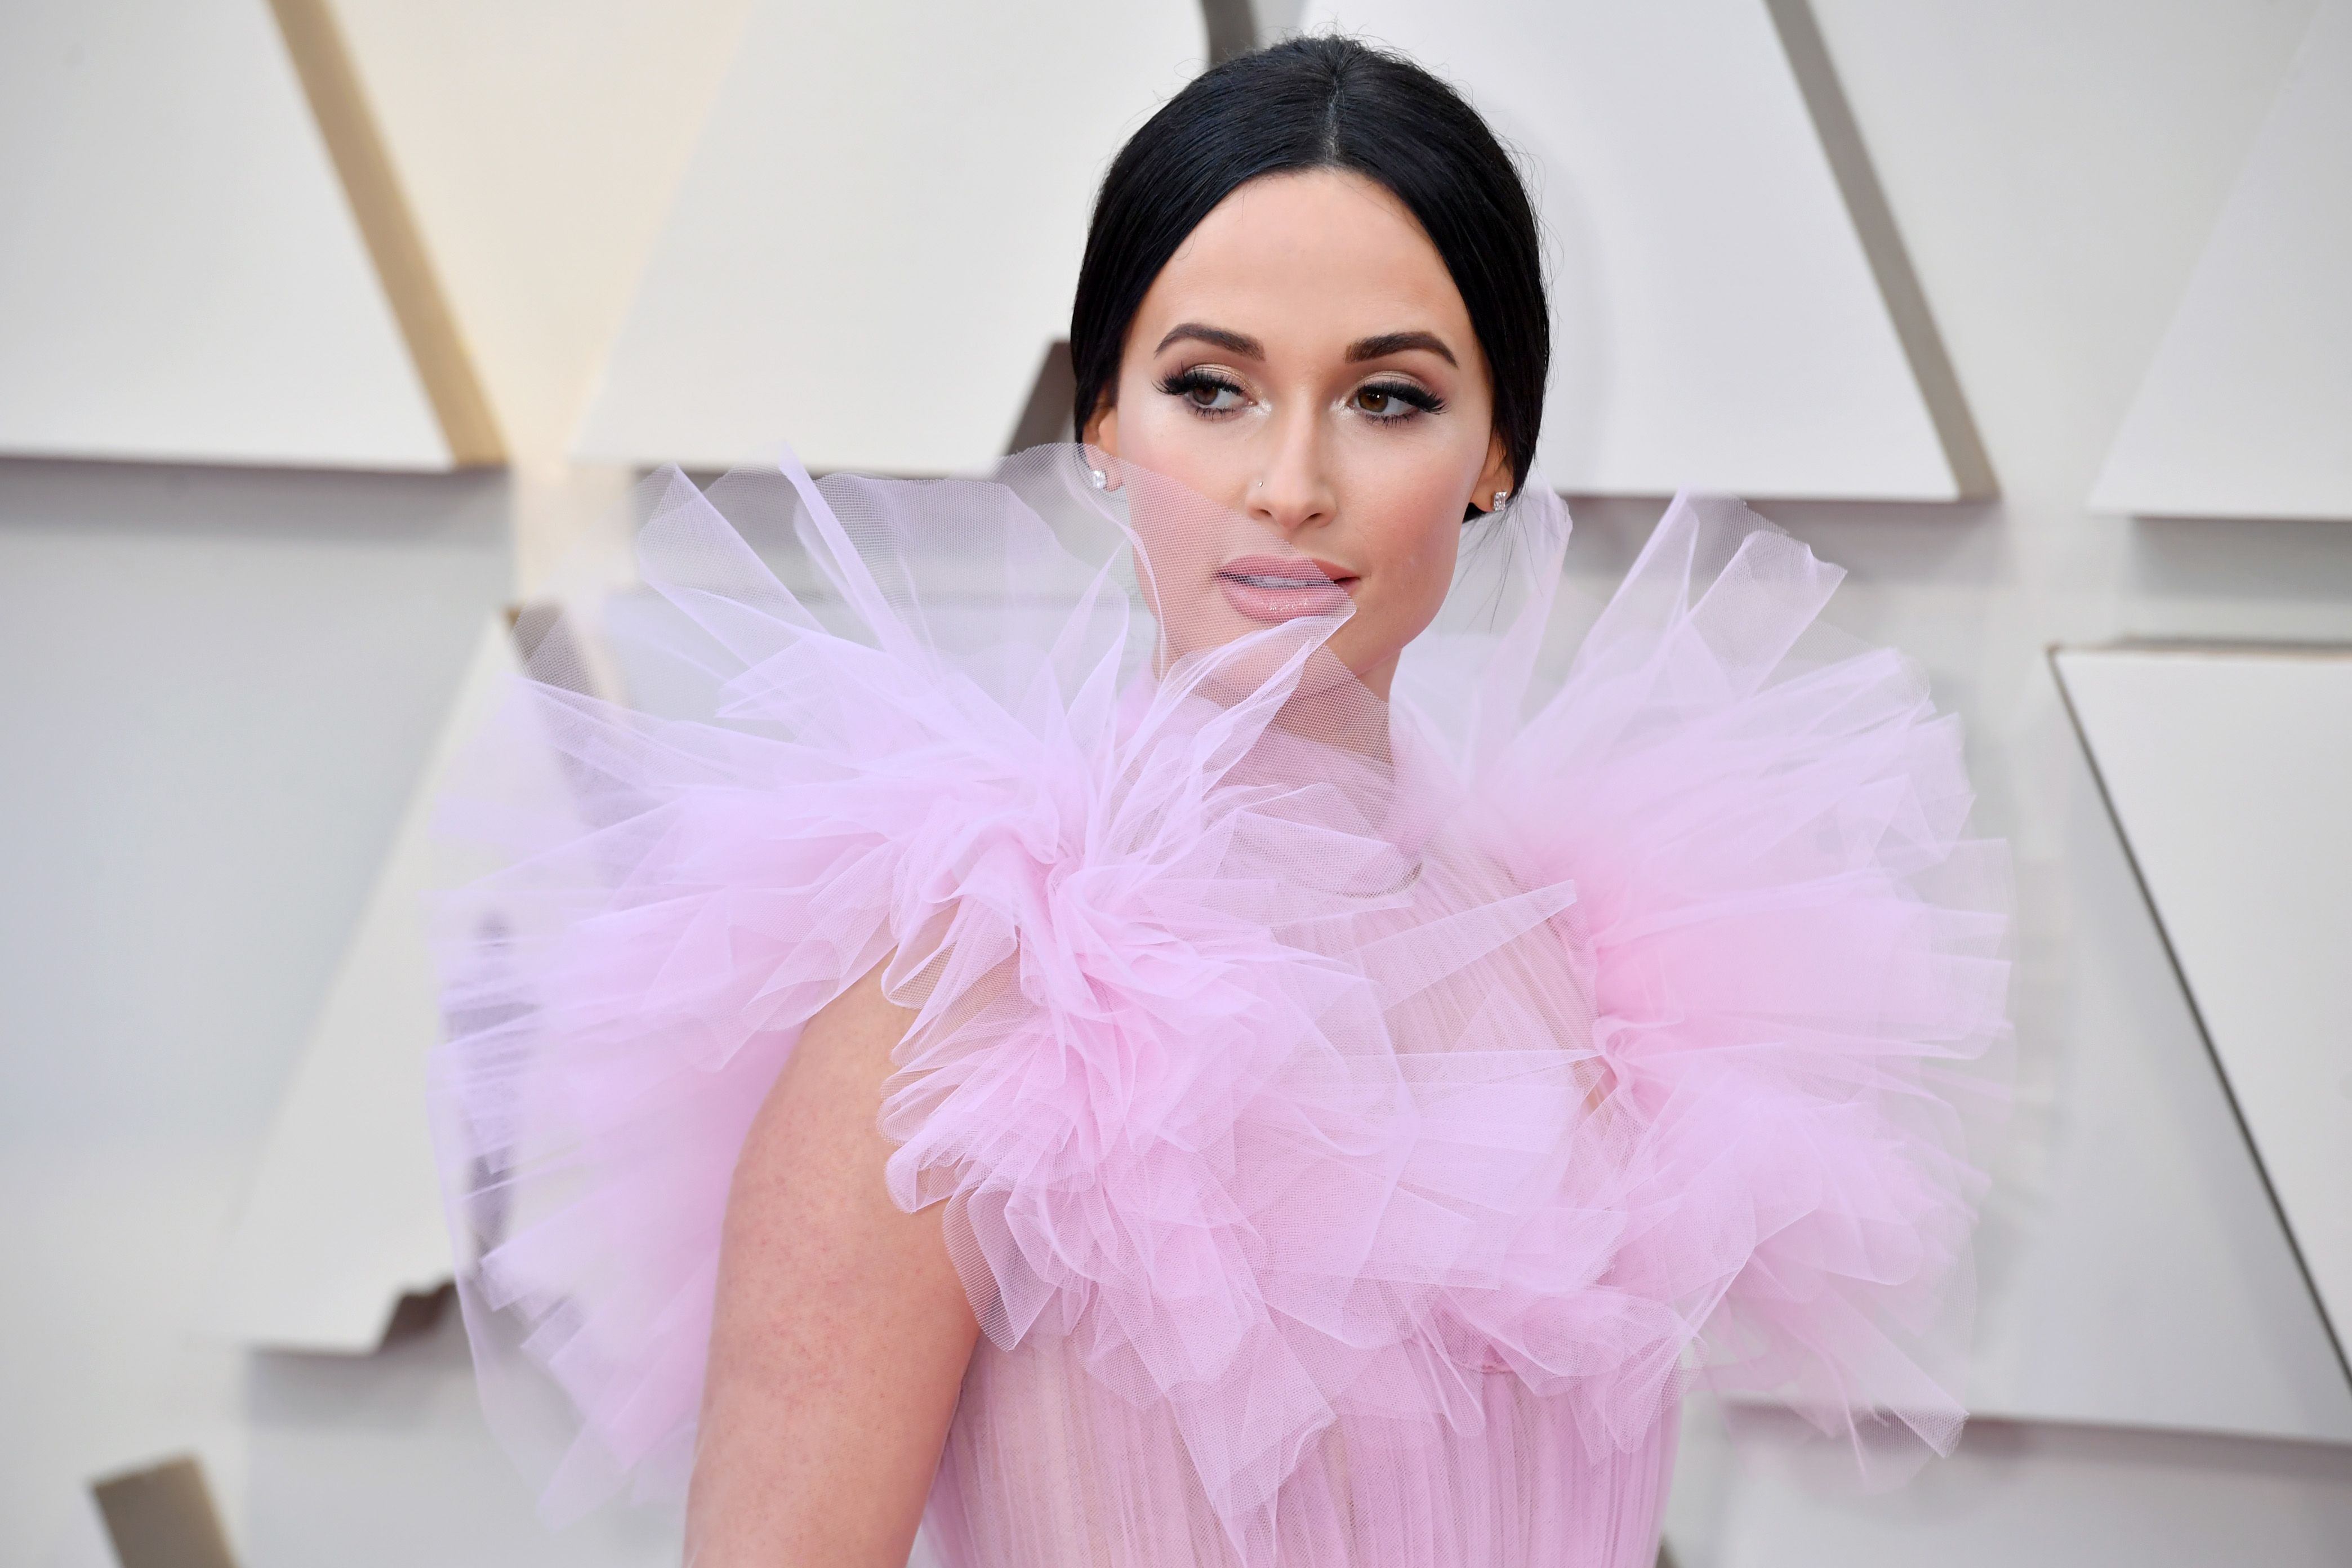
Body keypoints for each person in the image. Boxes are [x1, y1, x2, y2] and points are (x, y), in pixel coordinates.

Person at [429, 34, 2010, 1568]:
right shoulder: (950, 1002)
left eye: (1389, 398)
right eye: (1212, 388)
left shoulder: (1609, 976)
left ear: (1497, 451)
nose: (1291, 481)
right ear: (1103, 423)